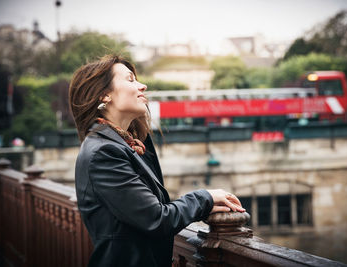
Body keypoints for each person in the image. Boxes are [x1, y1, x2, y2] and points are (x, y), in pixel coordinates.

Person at [68, 55, 245, 267]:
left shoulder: (122, 144)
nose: (143, 86)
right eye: (130, 79)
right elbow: (156, 218)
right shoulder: (104, 153)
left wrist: (203, 208)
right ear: (105, 95)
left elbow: (145, 212)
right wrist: (205, 198)